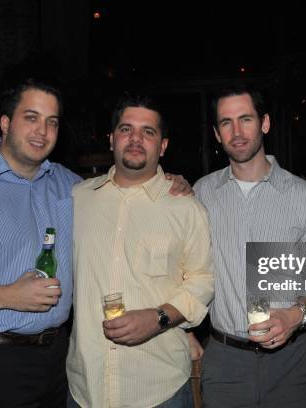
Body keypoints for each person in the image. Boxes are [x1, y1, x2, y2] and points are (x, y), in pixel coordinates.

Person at [0, 77, 191, 407]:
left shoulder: (71, 187)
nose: (42, 131)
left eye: (52, 122)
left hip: (62, 361)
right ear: (5, 123)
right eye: (30, 117)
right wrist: (4, 296)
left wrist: (167, 182)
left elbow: (126, 214)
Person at [67, 94, 214, 408]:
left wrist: (159, 318)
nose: (135, 139)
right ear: (111, 139)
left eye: (148, 132)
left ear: (162, 146)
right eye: (126, 129)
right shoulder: (76, 200)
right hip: (86, 387)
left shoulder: (186, 208)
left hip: (159, 390)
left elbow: (203, 281)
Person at [193, 85, 306, 407]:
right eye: (226, 123)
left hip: (292, 363)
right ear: (216, 133)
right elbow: (182, 270)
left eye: (245, 119)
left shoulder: (304, 195)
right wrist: (181, 331)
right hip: (225, 362)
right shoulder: (200, 195)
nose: (237, 132)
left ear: (265, 123)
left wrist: (296, 314)